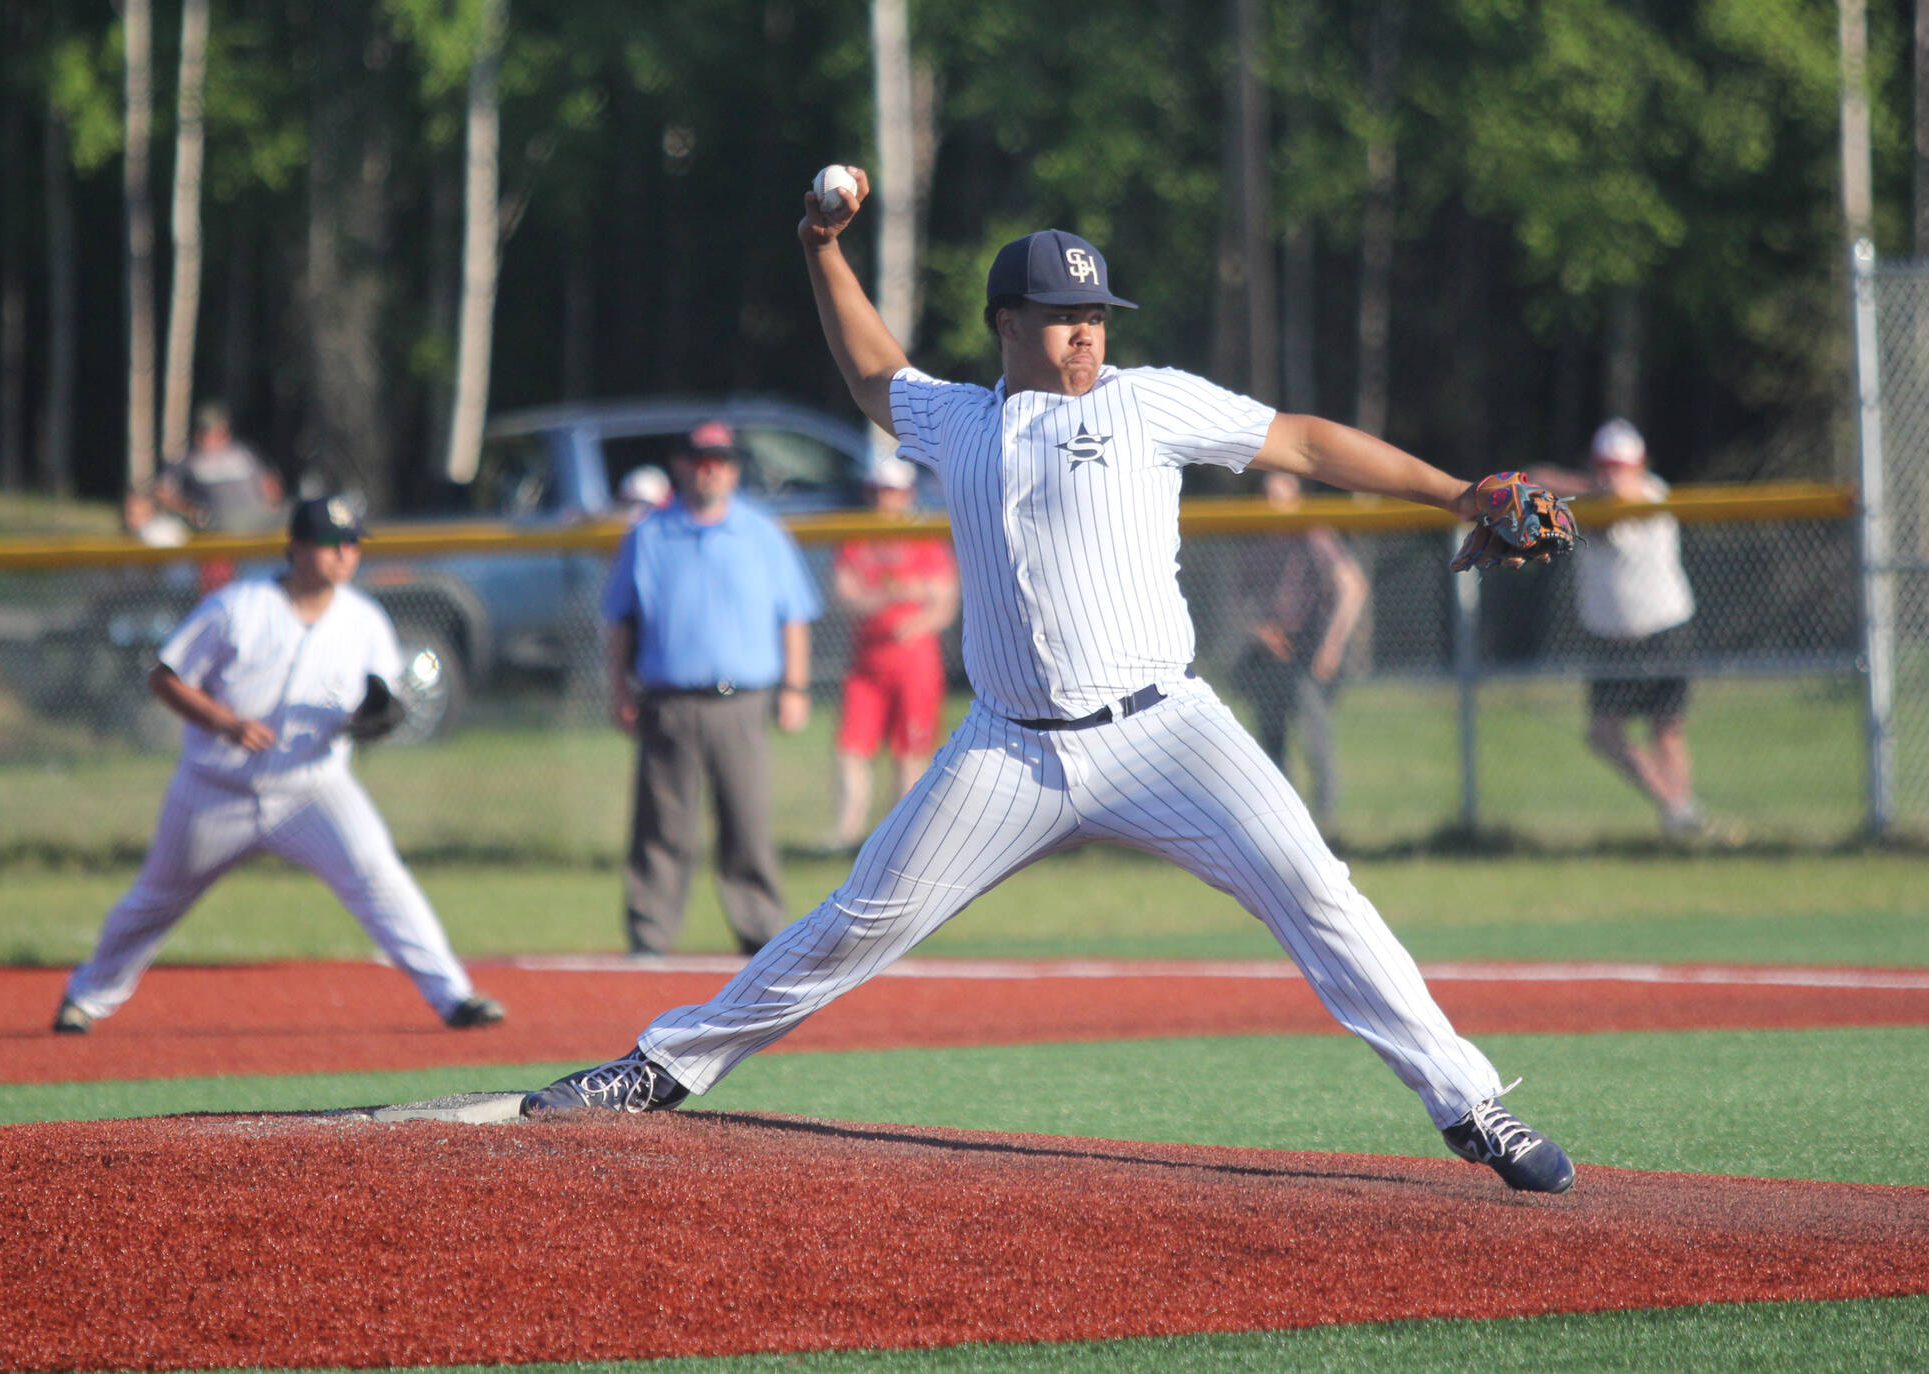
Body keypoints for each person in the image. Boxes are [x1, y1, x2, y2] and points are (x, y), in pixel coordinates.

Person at [522, 170, 1575, 1196]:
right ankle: (662, 1067)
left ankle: (1470, 1104)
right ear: (1006, 324)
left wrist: (1453, 491)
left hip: (1165, 732)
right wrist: (821, 249)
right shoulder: (955, 421)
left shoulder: (1147, 404)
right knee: (855, 921)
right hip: (1008, 749)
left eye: (1096, 314)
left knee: (1317, 893)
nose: (1085, 332)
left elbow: (1300, 438)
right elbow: (868, 373)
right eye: (1062, 314)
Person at [52, 496, 506, 1034]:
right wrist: (224, 721)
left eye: (352, 543)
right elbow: (165, 678)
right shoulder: (236, 607)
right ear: (295, 548)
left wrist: (377, 718)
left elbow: (381, 705)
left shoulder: (364, 621)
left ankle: (454, 997)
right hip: (215, 789)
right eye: (330, 542)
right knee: (154, 902)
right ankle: (86, 996)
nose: (344, 554)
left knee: (381, 880)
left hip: (314, 788)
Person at [602, 421, 824, 957]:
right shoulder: (650, 534)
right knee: (661, 828)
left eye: (721, 459)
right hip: (669, 698)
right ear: (680, 465)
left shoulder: (761, 532)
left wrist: (795, 687)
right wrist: (619, 692)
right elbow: (619, 622)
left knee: (747, 823)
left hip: (743, 700)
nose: (711, 468)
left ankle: (761, 933)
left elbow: (793, 616)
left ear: (734, 467)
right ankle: (649, 937)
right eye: (701, 458)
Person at [1533, 419, 1704, 838]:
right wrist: (1583, 487)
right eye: (1604, 464)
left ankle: (1680, 825)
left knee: (1667, 732)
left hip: (1664, 628)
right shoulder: (1586, 499)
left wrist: (1589, 489)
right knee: (1603, 733)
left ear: (1639, 465)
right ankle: (1679, 808)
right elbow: (1535, 477)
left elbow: (1624, 494)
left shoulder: (1649, 493)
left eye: (1621, 465)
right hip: (1610, 637)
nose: (1613, 473)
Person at [821, 453, 961, 851]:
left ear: (908, 494)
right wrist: (900, 593)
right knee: (851, 748)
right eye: (879, 491)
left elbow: (943, 602)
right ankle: (848, 833)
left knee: (909, 753)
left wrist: (911, 618)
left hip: (913, 663)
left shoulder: (925, 539)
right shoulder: (857, 536)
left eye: (895, 492)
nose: (886, 500)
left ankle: (901, 838)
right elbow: (845, 593)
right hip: (866, 663)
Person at [1229, 469, 1368, 828]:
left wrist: (1331, 645)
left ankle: (1325, 826)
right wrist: (1259, 631)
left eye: (1281, 496)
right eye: (1267, 495)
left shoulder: (1312, 532)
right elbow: (1235, 603)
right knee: (1270, 741)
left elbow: (1352, 586)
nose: (1273, 503)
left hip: (1308, 649)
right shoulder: (1253, 539)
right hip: (1269, 653)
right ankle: (1283, 824)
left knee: (1314, 736)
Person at [152, 402, 286, 535]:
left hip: (257, 519)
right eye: (204, 431)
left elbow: (268, 480)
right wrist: (189, 510)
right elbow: (163, 491)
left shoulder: (244, 452)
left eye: (216, 431)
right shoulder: (187, 461)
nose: (209, 437)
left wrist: (272, 502)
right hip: (219, 525)